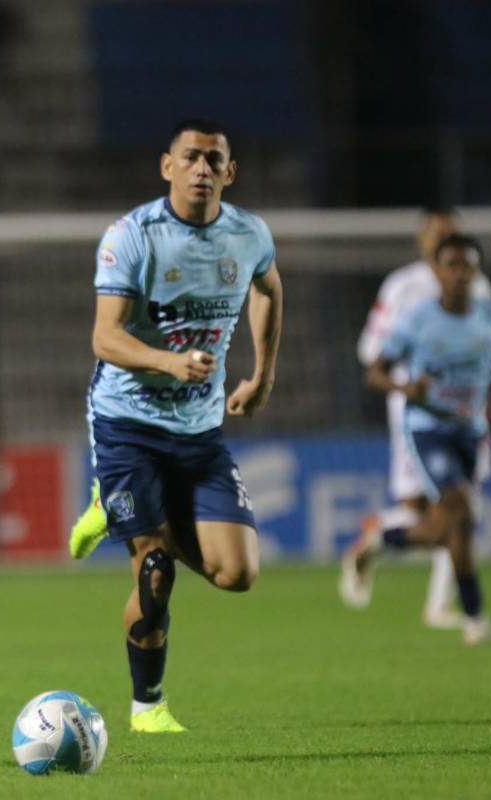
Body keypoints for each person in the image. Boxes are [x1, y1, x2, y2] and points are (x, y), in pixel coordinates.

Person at [81, 119, 284, 733]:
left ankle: (122, 511)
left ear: (231, 172)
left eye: (214, 160)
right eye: (190, 157)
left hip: (198, 433)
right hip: (127, 424)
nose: (202, 168)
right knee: (154, 566)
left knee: (237, 573)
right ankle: (148, 709)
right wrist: (170, 360)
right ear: (167, 166)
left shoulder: (248, 234)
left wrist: (262, 376)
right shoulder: (133, 236)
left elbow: (269, 290)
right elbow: (105, 337)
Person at [341, 234, 491, 645]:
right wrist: (406, 390)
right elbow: (375, 371)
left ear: (477, 271)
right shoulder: (416, 320)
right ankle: (475, 620)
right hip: (427, 428)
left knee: (456, 528)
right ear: (438, 271)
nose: (460, 274)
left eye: (468, 266)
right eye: (452, 266)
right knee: (459, 511)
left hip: (470, 429)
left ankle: (382, 539)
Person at [350, 207, 491, 629]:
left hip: (468, 414)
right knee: (435, 510)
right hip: (415, 415)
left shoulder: (478, 285)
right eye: (436, 233)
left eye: (450, 233)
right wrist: (410, 379)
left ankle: (434, 600)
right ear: (422, 239)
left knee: (458, 511)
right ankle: (382, 538)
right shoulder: (402, 287)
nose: (443, 240)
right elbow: (370, 351)